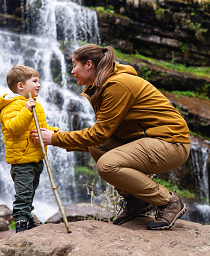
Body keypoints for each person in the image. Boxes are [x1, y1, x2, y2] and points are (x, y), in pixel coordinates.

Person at [31, 44, 191, 230]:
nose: (72, 70)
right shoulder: (104, 84)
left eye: (75, 65)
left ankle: (168, 201)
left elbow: (99, 133)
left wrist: (57, 139)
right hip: (150, 139)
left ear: (89, 64)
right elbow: (99, 138)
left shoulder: (117, 85)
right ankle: (136, 200)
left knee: (107, 165)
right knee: (97, 147)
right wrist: (57, 137)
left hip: (171, 142)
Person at [0, 65, 60, 233]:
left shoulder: (30, 104)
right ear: (21, 86)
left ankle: (28, 217)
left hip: (36, 157)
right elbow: (14, 127)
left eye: (39, 81)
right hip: (22, 159)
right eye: (35, 81)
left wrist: (55, 133)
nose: (39, 84)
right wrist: (27, 110)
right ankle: (21, 222)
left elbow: (38, 128)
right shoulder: (12, 106)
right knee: (23, 192)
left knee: (30, 191)